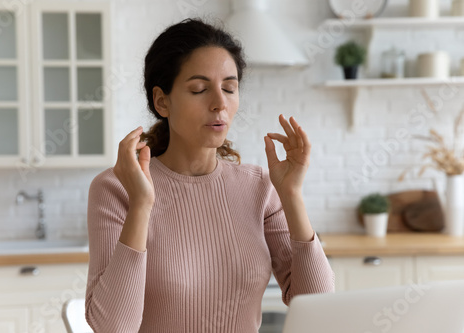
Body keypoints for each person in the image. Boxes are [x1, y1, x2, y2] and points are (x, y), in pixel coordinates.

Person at [85, 18, 334, 333]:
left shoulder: (258, 187)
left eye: (229, 88)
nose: (220, 104)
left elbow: (318, 306)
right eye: (199, 89)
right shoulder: (117, 189)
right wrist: (141, 205)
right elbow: (112, 327)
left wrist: (292, 196)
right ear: (162, 101)